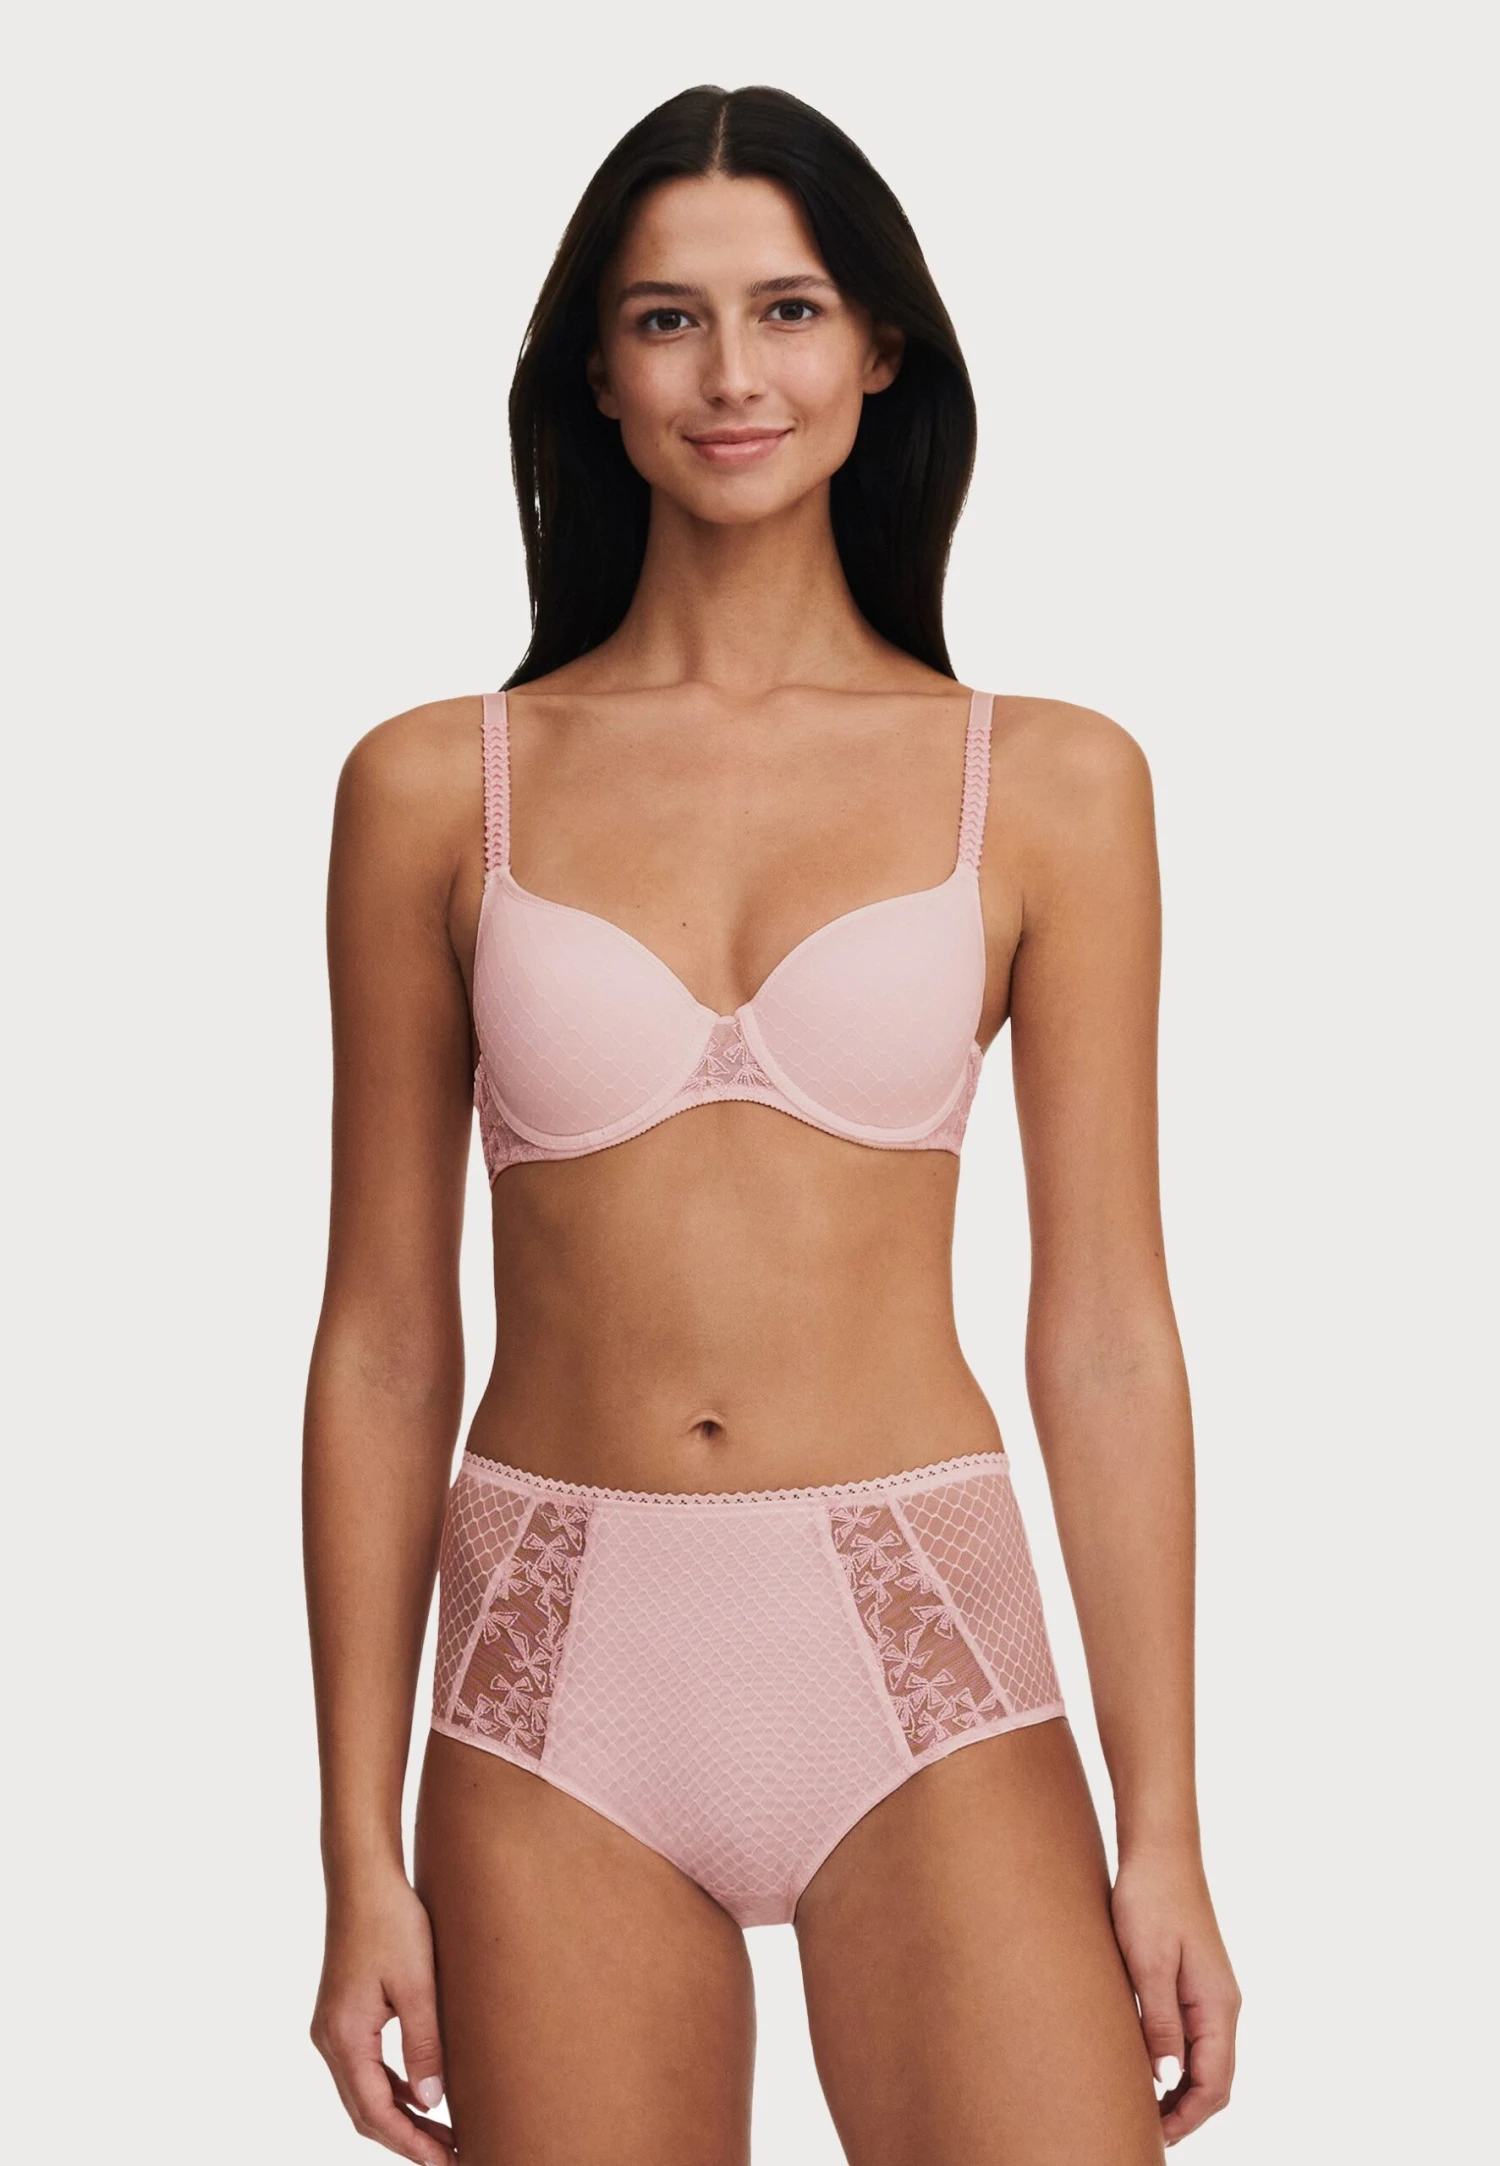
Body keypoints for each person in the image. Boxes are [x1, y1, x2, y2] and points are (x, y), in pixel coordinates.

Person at [303, 81, 1240, 2166]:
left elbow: (1105, 1331)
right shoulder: (436, 788)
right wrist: (356, 1848)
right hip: (551, 1670)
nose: (733, 373)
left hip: (923, 1651)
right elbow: (382, 1337)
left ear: (880, 347)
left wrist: (1164, 1823)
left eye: (789, 308)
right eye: (668, 318)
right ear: (595, 373)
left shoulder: (1051, 783)